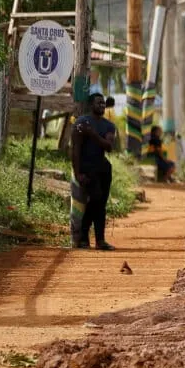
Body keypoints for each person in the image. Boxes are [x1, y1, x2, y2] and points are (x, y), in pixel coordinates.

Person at [70, 92, 116, 250]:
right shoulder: (81, 123)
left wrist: (92, 134)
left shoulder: (108, 125)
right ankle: (83, 236)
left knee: (101, 204)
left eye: (103, 103)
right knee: (96, 198)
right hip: (87, 168)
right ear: (91, 105)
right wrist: (77, 173)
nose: (102, 106)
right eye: (98, 103)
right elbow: (76, 150)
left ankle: (100, 240)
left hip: (103, 168)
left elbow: (109, 146)